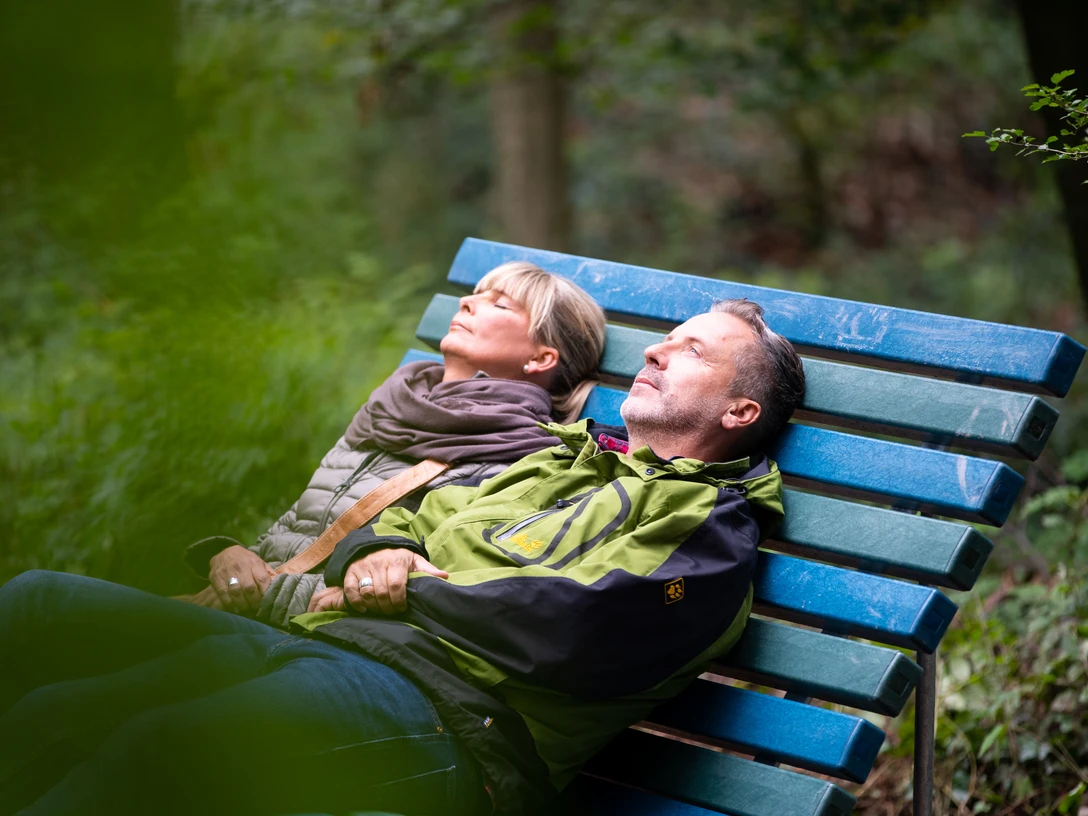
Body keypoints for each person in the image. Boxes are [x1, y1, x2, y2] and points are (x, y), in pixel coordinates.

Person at [0, 299, 806, 816]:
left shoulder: (708, 531)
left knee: (163, 746)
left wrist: (405, 593)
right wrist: (380, 553)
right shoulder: (560, 462)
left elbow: (583, 633)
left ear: (741, 409)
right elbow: (403, 519)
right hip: (322, 646)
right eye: (663, 340)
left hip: (451, 725)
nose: (659, 354)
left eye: (692, 350)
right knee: (46, 646)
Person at [186, 260, 607, 626]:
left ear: (540, 359)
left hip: (304, 636)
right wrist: (226, 557)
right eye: (475, 294)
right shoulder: (388, 411)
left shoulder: (515, 458)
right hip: (248, 609)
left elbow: (417, 586)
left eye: (499, 304)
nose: (466, 303)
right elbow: (298, 527)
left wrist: (250, 595)